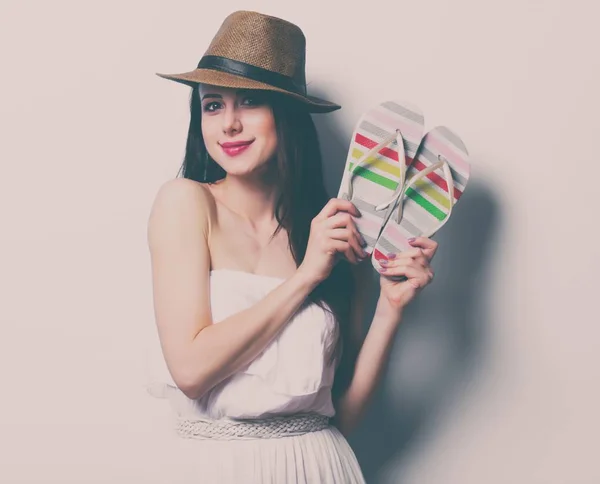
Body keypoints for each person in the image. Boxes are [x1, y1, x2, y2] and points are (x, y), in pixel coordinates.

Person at [146, 10, 437, 483]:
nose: (230, 124)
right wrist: (306, 277)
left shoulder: (332, 230)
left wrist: (391, 309)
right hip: (216, 469)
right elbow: (191, 369)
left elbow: (339, 415)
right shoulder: (185, 203)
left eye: (251, 103)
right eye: (213, 104)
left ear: (288, 115)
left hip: (320, 467)